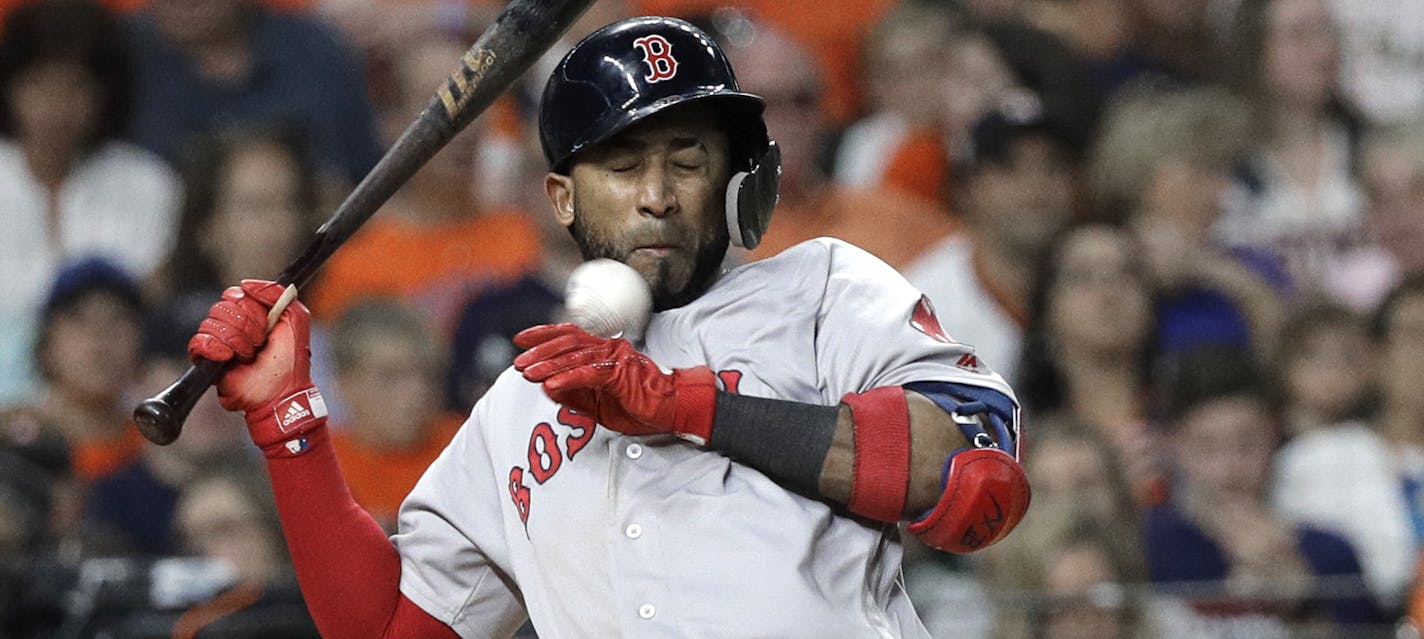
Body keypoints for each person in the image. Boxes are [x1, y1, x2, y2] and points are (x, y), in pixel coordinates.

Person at [182, 17, 1029, 638]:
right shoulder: (523, 402)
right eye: (623, 166)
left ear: (736, 178)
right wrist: (287, 424)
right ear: (562, 200)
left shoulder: (824, 289)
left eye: (688, 160)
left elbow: (971, 479)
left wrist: (685, 408)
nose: (658, 193)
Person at [0, 0, 180, 404]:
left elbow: (151, 315)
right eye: (39, 84)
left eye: (76, 86)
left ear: (105, 93)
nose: (55, 105)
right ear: (9, 85)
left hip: (119, 408)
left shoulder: (148, 184)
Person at [902, 98, 1079, 384]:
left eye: (1053, 165)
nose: (1036, 184)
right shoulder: (924, 306)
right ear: (968, 188)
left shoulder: (1100, 284)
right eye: (1009, 167)